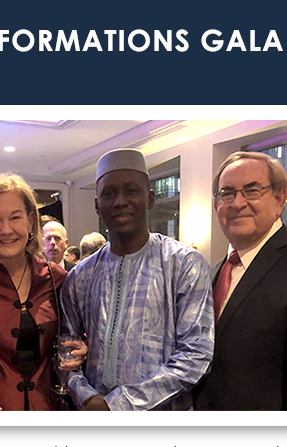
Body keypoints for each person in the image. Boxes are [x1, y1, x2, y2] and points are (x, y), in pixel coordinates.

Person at [60, 148, 214, 411]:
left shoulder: (183, 264)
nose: (120, 201)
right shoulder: (79, 276)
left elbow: (196, 354)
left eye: (132, 191)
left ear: (150, 198)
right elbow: (66, 350)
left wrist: (118, 405)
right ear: (97, 204)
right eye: (109, 194)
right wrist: (86, 395)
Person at [193, 151, 287, 410]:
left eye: (252, 191)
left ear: (279, 198)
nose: (238, 203)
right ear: (216, 204)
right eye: (227, 193)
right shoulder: (211, 273)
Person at [0, 173, 86, 411]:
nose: (6, 229)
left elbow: (75, 333)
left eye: (15, 217)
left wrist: (83, 348)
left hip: (46, 409)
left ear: (31, 221)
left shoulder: (57, 278)